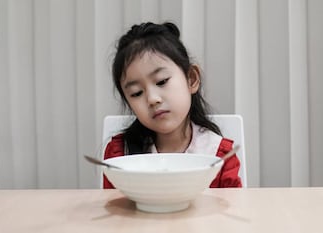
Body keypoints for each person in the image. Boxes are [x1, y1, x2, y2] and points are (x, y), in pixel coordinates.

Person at [103, 21, 242, 188]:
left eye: (161, 81)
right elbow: (115, 210)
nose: (152, 99)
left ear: (191, 79)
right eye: (137, 93)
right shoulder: (120, 155)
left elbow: (231, 207)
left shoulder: (219, 154)